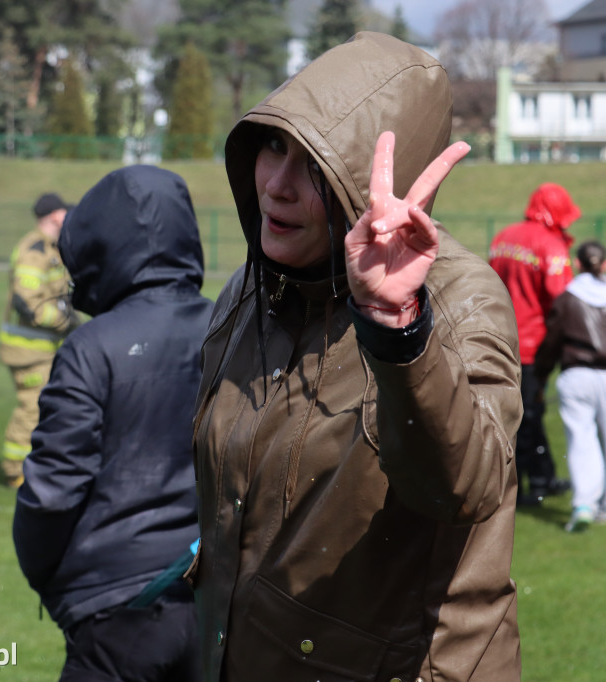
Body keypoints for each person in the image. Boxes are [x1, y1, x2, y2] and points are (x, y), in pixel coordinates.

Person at [193, 32, 523, 681]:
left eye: (313, 168)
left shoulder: (455, 302)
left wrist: (397, 329)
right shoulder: (252, 289)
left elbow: (468, 485)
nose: (277, 186)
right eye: (271, 146)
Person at [13, 165, 213, 681]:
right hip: (218, 603)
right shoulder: (231, 327)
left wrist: (50, 580)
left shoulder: (91, 346)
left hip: (116, 613)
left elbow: (52, 491)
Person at [534, 241, 606, 532]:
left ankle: (584, 503)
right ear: (605, 264)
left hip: (575, 375)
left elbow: (552, 341)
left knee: (581, 439)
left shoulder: (568, 298)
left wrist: (542, 375)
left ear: (578, 263)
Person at [488, 182, 581, 505]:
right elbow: (563, 301)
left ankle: (540, 475)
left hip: (499, 339)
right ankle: (533, 485)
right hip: (534, 348)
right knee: (528, 415)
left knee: (513, 412)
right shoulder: (551, 246)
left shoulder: (503, 237)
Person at [0, 193, 77, 489]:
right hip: (28, 351)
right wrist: (64, 321)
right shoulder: (34, 250)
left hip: (45, 349)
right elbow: (28, 302)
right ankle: (15, 472)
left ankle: (36, 467)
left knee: (46, 408)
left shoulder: (51, 249)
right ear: (55, 216)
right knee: (31, 408)